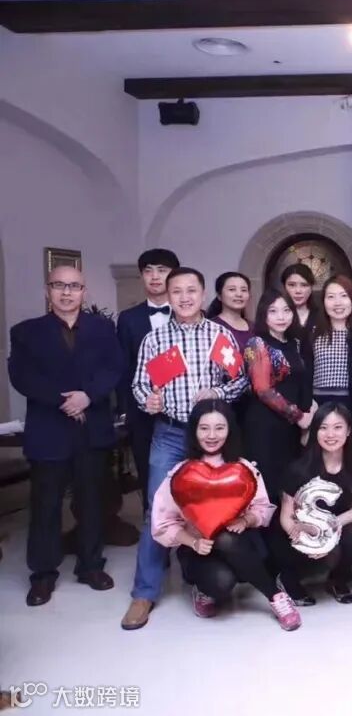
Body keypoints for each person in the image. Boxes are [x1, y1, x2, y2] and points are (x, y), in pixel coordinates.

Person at [123, 267, 250, 631]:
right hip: (170, 433)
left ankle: (205, 579)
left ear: (202, 293)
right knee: (157, 509)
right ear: (168, 296)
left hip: (210, 437)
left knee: (215, 508)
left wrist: (218, 392)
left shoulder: (218, 335)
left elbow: (239, 380)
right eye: (176, 291)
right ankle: (144, 592)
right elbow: (139, 385)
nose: (184, 297)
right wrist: (148, 400)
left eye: (191, 290)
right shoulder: (156, 339)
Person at [10, 266, 124, 606]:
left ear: (84, 292)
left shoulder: (103, 328)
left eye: (74, 286)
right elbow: (21, 376)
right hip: (49, 430)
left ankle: (91, 566)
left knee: (92, 502)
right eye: (59, 285)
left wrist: (88, 396)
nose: (66, 292)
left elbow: (114, 368)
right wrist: (63, 401)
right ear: (48, 290)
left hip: (92, 429)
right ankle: (43, 575)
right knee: (45, 505)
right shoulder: (26, 332)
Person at [150, 400, 300, 630]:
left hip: (240, 544)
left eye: (219, 428)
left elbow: (262, 508)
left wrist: (246, 520)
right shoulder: (181, 473)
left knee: (226, 537)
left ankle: (276, 596)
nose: (212, 435)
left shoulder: (243, 468)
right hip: (199, 549)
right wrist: (192, 541)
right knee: (221, 581)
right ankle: (203, 590)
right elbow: (163, 522)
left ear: (230, 430)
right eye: (204, 428)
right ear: (194, 431)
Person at [267, 403, 352, 605]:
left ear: (349, 430)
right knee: (287, 540)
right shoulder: (299, 468)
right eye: (323, 427)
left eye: (337, 427)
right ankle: (287, 579)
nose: (330, 434)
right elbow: (286, 517)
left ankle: (337, 580)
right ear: (315, 431)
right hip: (300, 528)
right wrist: (308, 539)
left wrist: (325, 533)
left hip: (335, 526)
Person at [117, 248, 180, 514]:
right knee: (148, 479)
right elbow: (123, 368)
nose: (154, 277)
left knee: (187, 479)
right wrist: (126, 410)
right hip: (142, 413)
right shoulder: (128, 319)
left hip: (183, 414)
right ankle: (154, 530)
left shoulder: (189, 313)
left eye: (162, 270)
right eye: (148, 271)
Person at [242, 289, 316, 502]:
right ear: (263, 314)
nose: (281, 317)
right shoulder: (256, 344)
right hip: (265, 426)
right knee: (268, 487)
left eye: (286, 310)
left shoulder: (295, 343)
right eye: (273, 311)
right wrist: (298, 416)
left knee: (291, 486)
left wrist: (309, 411)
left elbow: (302, 381)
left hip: (292, 428)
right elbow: (263, 390)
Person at [309, 274, 352, 411]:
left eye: (344, 296)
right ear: (323, 301)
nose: (337, 303)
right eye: (331, 297)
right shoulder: (314, 333)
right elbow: (306, 373)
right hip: (319, 403)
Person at [206, 271, 253, 350]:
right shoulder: (210, 327)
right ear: (219, 295)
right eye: (232, 289)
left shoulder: (255, 327)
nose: (239, 294)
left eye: (244, 290)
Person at [282, 264, 318, 340]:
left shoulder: (322, 315)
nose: (298, 291)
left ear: (311, 287)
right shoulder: (279, 316)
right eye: (292, 285)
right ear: (284, 286)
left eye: (304, 285)